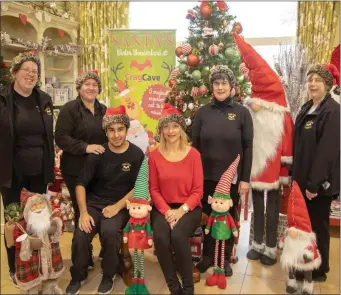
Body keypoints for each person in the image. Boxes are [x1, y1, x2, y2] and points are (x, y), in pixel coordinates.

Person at [65, 105, 144, 295]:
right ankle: (79, 274)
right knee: (81, 234)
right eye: (111, 130)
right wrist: (83, 213)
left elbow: (140, 186)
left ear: (126, 130)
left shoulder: (136, 155)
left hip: (121, 205)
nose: (116, 135)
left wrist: (117, 207)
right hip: (95, 203)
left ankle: (109, 274)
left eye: (120, 129)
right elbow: (81, 184)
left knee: (109, 232)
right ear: (106, 132)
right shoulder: (98, 154)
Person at [233, 32, 294, 266]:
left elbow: (287, 147)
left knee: (273, 209)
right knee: (257, 205)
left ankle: (270, 248)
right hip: (257, 167)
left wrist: (284, 173)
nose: (257, 106)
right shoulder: (250, 113)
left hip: (275, 170)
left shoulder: (282, 116)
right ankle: (256, 244)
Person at [191, 65, 253, 275]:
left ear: (232, 87)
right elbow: (195, 146)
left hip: (233, 179)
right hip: (206, 176)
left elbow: (248, 147)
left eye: (224, 83)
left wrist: (245, 179)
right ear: (211, 87)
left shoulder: (242, 113)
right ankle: (208, 256)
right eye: (216, 83)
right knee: (209, 217)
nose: (220, 87)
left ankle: (224, 258)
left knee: (227, 219)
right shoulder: (202, 113)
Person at [0, 51, 54, 286]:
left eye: (35, 71)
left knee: (37, 221)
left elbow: (47, 137)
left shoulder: (43, 99)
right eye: (26, 70)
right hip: (11, 175)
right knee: (14, 221)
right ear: (15, 72)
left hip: (38, 174)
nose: (31, 75)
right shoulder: (3, 99)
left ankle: (35, 264)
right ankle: (14, 267)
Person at [292, 64, 340, 282]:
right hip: (302, 180)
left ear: (327, 85)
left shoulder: (332, 111)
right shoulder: (306, 107)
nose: (312, 84)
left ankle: (320, 268)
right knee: (305, 225)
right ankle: (306, 261)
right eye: (310, 79)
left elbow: (327, 152)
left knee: (318, 227)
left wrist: (313, 184)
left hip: (319, 184)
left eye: (317, 80)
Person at [149, 103, 203, 295]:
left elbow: (198, 191)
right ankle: (174, 288)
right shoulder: (154, 156)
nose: (170, 131)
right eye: (166, 126)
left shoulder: (194, 155)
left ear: (181, 128)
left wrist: (180, 211)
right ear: (161, 130)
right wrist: (167, 212)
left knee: (179, 236)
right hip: (162, 207)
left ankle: (188, 289)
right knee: (161, 238)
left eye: (174, 126)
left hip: (189, 207)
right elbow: (153, 189)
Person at [55, 70, 107, 228]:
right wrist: (86, 147)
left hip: (99, 169)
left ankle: (106, 247)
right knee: (82, 211)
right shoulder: (69, 109)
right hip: (76, 169)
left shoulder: (103, 110)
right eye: (87, 84)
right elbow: (61, 138)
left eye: (95, 85)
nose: (91, 88)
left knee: (99, 208)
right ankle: (82, 249)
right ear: (79, 87)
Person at [14, 191, 64, 294]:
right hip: (32, 259)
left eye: (41, 204)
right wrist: (28, 243)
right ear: (28, 209)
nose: (39, 208)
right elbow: (17, 237)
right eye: (34, 205)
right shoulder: (22, 225)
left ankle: (50, 288)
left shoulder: (50, 219)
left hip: (50, 256)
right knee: (33, 279)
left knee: (51, 275)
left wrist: (55, 225)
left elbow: (59, 229)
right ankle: (32, 290)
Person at [280, 181, 321, 295]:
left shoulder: (307, 240)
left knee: (308, 268)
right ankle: (291, 282)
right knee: (291, 264)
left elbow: (313, 253)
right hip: (292, 253)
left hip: (305, 257)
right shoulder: (288, 235)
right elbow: (282, 242)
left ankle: (308, 285)